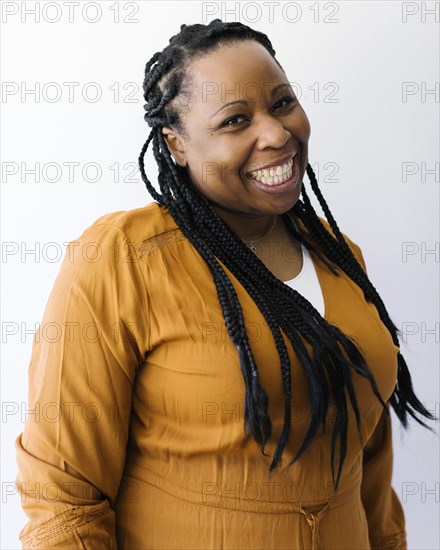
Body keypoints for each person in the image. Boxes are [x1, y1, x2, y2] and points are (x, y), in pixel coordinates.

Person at [15, 19, 435, 549]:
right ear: (177, 145)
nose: (277, 134)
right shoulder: (121, 261)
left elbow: (368, 467)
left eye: (282, 103)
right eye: (236, 120)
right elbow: (64, 498)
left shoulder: (340, 256)